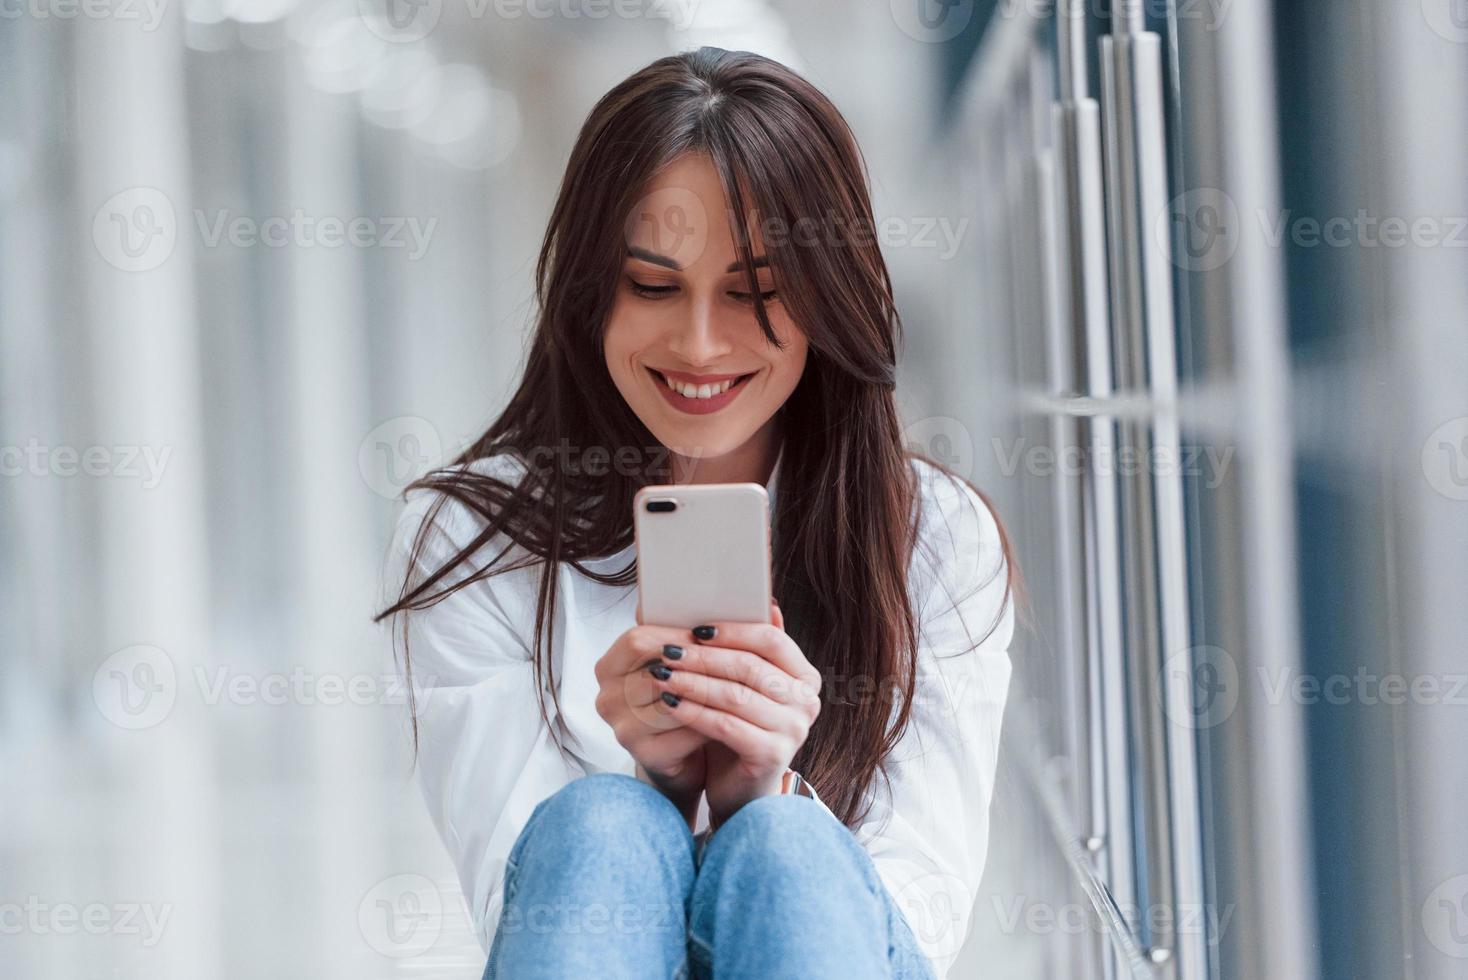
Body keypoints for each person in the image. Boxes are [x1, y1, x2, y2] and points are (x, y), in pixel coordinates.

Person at [376, 45, 1017, 980]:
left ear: (827, 298)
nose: (702, 344)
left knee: (789, 851)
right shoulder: (476, 542)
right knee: (603, 826)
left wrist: (766, 792)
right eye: (654, 286)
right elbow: (524, 906)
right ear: (592, 295)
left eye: (754, 292)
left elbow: (921, 912)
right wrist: (664, 791)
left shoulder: (936, 536)